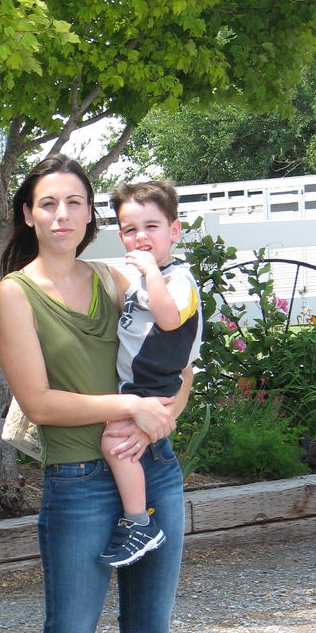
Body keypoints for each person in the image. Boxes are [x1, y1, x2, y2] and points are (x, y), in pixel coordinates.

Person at [0, 153, 215, 633]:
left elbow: (178, 351)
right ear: (29, 214)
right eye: (48, 203)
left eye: (75, 203)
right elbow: (39, 401)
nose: (62, 215)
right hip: (78, 484)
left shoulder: (122, 274)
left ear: (92, 215)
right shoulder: (14, 293)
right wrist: (128, 405)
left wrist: (167, 412)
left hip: (157, 469)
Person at [97, 180, 202, 568]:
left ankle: (138, 522)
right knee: (118, 441)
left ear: (173, 231)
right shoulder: (141, 278)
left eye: (152, 227)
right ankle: (137, 519)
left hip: (153, 385)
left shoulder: (179, 280)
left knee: (115, 443)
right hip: (137, 385)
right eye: (129, 230)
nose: (141, 237)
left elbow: (169, 318)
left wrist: (149, 273)